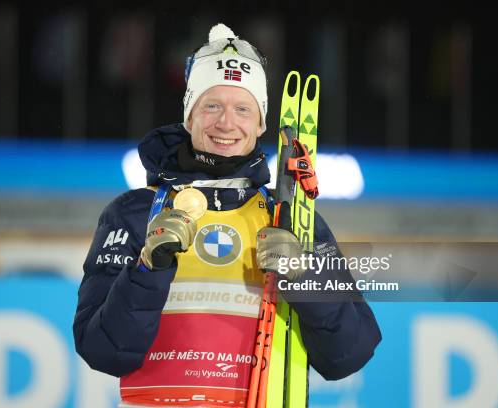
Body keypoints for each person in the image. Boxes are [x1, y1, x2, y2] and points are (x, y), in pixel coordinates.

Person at [73, 23, 381, 406]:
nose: (226, 123)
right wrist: (149, 269)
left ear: (260, 123)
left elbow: (348, 354)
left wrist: (305, 278)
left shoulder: (292, 215)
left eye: (242, 109)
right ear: (190, 115)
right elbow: (102, 351)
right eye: (212, 106)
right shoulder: (135, 212)